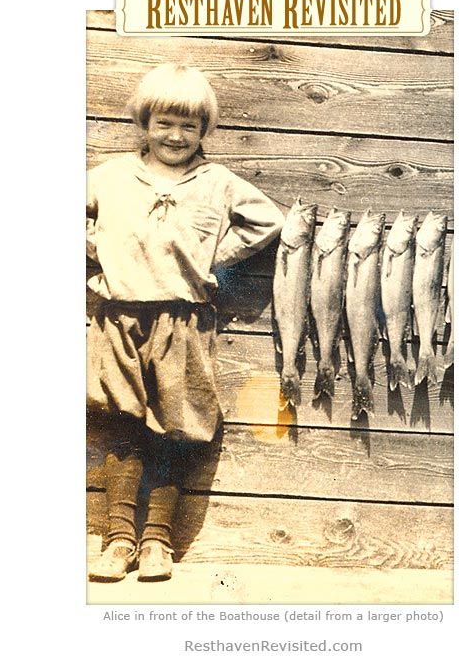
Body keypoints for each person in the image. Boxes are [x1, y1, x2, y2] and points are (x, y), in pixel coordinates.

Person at [87, 64, 284, 582]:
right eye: (164, 124)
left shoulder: (218, 183)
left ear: (204, 130)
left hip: (184, 319)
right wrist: (98, 248)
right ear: (144, 123)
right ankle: (118, 539)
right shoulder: (109, 177)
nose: (175, 136)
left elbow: (269, 221)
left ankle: (158, 540)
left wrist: (215, 257)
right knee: (122, 422)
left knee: (178, 425)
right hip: (119, 316)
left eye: (189, 127)